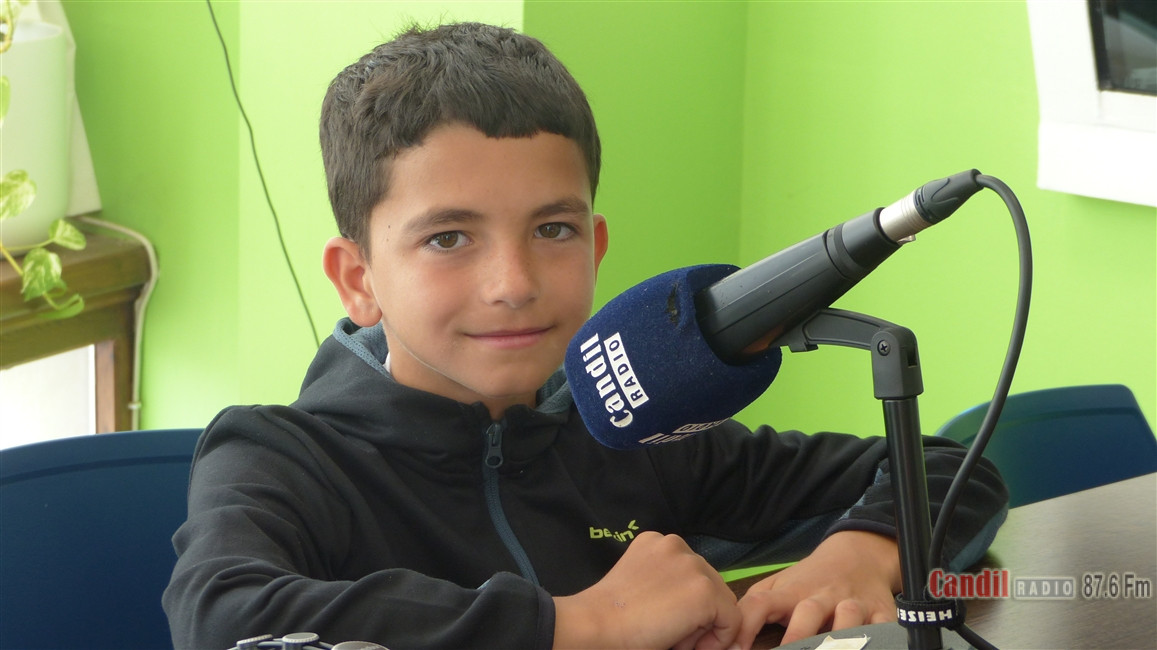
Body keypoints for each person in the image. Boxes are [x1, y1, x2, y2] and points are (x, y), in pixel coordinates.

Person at [163, 22, 1007, 650]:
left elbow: (947, 468)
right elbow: (224, 618)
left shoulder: (628, 426)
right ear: (358, 280)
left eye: (552, 230)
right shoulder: (280, 457)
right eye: (448, 238)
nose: (514, 283)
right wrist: (580, 623)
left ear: (595, 248)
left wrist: (861, 553)